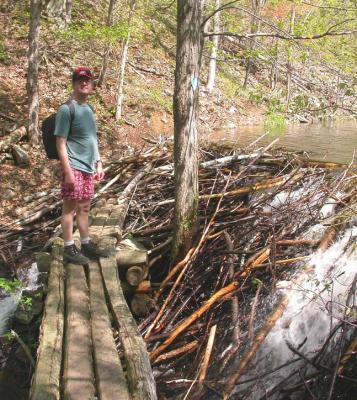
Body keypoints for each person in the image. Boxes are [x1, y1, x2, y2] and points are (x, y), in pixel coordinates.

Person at [54, 67, 109, 264]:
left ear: (92, 85)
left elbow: (92, 139)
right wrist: (68, 172)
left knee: (84, 208)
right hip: (74, 166)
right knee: (69, 208)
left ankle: (86, 243)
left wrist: (99, 163)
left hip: (88, 167)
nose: (84, 83)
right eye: (79, 80)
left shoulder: (90, 109)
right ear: (74, 83)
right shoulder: (66, 109)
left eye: (87, 80)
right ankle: (69, 248)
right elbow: (60, 142)